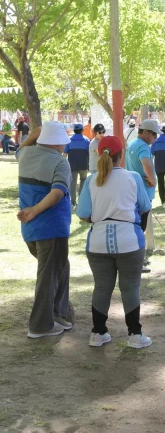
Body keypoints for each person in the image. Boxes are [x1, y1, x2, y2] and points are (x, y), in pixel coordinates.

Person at [76, 136, 153, 349]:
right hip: (129, 240)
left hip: (98, 242)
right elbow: (145, 206)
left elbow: (83, 214)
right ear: (122, 155)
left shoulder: (92, 180)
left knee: (101, 287)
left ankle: (98, 333)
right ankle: (135, 334)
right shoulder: (133, 177)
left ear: (99, 154)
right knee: (130, 288)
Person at [16, 123, 73, 338]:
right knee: (49, 275)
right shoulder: (60, 162)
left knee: (60, 269)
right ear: (57, 143)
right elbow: (58, 193)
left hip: (31, 229)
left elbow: (20, 150)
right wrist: (35, 210)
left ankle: (58, 313)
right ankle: (40, 325)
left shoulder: (27, 154)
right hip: (51, 227)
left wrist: (33, 134)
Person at [126, 119, 159, 274]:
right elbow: (146, 164)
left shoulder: (132, 144)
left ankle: (135, 260)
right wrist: (152, 180)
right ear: (145, 132)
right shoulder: (143, 147)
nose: (155, 138)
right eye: (153, 134)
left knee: (136, 227)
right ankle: (138, 261)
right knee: (140, 228)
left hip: (133, 192)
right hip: (143, 194)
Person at [63, 123, 91, 206]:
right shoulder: (86, 140)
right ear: (82, 130)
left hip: (72, 166)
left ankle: (73, 201)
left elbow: (64, 154)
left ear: (74, 130)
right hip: (83, 165)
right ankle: (81, 199)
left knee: (73, 183)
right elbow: (89, 154)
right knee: (83, 181)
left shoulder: (69, 139)